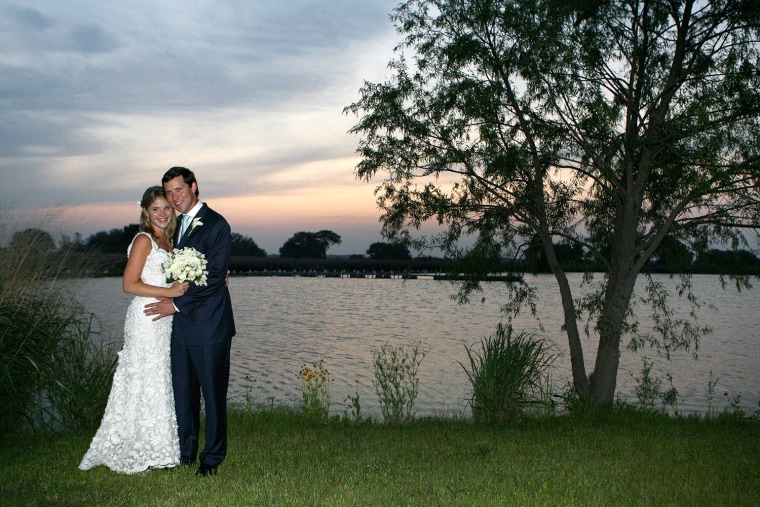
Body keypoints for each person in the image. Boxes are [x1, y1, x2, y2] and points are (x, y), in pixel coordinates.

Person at [79, 186, 188, 474]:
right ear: (145, 212)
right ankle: (135, 456)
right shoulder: (144, 240)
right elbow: (129, 284)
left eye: (166, 208)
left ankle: (154, 449)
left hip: (164, 319)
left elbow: (178, 282)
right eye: (156, 209)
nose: (162, 214)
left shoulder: (170, 242)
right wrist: (169, 290)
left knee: (157, 380)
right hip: (146, 319)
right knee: (142, 380)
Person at [144, 166, 235, 477]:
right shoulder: (174, 226)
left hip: (210, 326)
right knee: (183, 393)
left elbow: (212, 278)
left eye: (179, 190)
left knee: (212, 394)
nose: (174, 197)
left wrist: (176, 305)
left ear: (194, 187)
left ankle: (212, 458)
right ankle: (185, 452)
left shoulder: (216, 224)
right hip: (180, 328)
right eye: (169, 192)